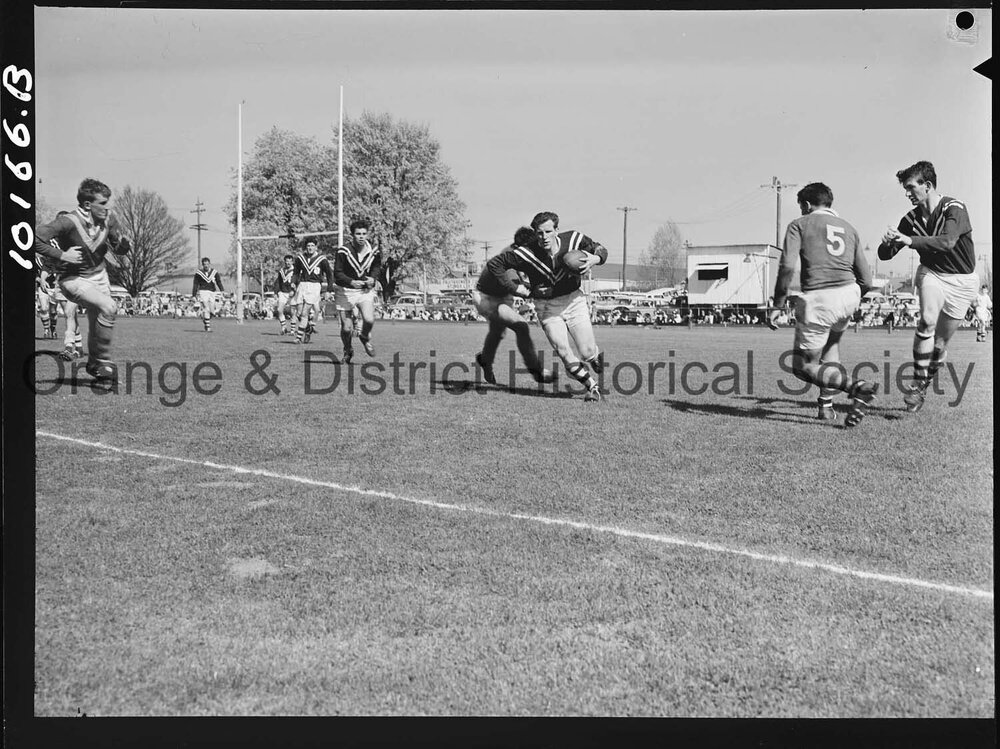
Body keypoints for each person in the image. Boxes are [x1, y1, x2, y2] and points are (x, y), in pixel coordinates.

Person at [769, 182, 877, 427]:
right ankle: (826, 408)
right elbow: (867, 280)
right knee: (831, 348)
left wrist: (778, 305)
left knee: (803, 366)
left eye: (801, 207)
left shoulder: (800, 224)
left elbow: (787, 266)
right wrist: (851, 296)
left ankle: (857, 387)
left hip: (820, 297)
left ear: (806, 205)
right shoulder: (849, 228)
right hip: (849, 294)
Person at [878, 161, 979, 412]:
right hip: (932, 274)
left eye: (911, 187)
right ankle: (916, 384)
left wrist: (909, 240)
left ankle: (922, 386)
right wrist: (887, 243)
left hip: (963, 281)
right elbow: (885, 255)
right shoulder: (910, 219)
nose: (907, 193)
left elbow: (947, 242)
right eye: (905, 188)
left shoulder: (954, 208)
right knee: (926, 320)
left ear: (928, 185)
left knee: (939, 346)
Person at [33, 178, 131, 382]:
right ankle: (103, 361)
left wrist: (124, 245)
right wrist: (62, 255)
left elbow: (118, 248)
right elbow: (32, 238)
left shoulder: (109, 219)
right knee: (109, 307)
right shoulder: (68, 221)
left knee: (97, 323)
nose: (107, 207)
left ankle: (94, 365)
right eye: (102, 203)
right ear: (87, 204)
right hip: (72, 278)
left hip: (99, 276)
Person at [506, 211, 608, 402]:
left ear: (556, 230)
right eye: (539, 233)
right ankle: (592, 387)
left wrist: (595, 259)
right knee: (563, 350)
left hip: (573, 301)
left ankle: (593, 357)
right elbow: (506, 271)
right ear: (534, 233)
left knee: (586, 352)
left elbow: (601, 250)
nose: (543, 237)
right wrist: (520, 288)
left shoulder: (573, 239)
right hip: (546, 306)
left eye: (548, 231)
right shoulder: (526, 252)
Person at [471, 227, 554, 386]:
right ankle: (537, 371)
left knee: (497, 333)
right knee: (521, 327)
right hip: (486, 298)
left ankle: (485, 360)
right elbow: (517, 288)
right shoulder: (511, 261)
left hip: (502, 296)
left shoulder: (517, 252)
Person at [333, 219, 380, 362]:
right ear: (352, 235)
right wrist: (351, 281)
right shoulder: (343, 251)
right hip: (345, 291)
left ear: (367, 234)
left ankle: (364, 337)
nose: (361, 236)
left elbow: (377, 267)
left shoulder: (374, 250)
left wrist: (373, 278)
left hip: (364, 291)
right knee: (347, 328)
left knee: (369, 319)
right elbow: (337, 273)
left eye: (364, 234)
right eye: (358, 234)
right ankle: (348, 349)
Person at [291, 238, 335, 344]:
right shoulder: (300, 258)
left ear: (316, 247)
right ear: (306, 247)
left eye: (312, 245)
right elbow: (296, 272)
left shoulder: (322, 259)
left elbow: (329, 274)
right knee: (299, 313)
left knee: (305, 312)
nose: (310, 248)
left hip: (314, 286)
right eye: (308, 246)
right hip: (302, 285)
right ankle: (308, 330)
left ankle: (298, 337)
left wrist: (329, 289)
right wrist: (293, 282)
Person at [192, 257, 224, 332]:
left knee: (212, 311)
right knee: (206, 308)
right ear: (202, 265)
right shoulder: (198, 273)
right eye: (204, 264)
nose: (206, 265)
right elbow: (195, 284)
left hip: (212, 291)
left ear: (209, 264)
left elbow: (218, 281)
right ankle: (208, 326)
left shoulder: (214, 272)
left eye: (207, 264)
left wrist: (222, 290)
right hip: (203, 291)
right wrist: (194, 295)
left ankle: (205, 319)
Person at [274, 254, 298, 335]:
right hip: (283, 292)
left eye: (289, 261)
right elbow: (278, 281)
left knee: (293, 312)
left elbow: (298, 281)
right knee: (279, 310)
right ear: (284, 262)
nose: (288, 263)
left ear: (292, 262)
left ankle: (292, 330)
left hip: (292, 293)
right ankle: (283, 328)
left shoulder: (295, 270)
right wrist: (276, 292)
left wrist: (294, 291)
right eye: (286, 261)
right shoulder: (281, 270)